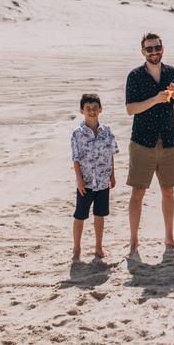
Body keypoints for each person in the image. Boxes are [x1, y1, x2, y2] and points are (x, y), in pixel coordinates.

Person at [124, 32, 174, 254]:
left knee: (168, 191)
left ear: (163, 48)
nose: (153, 52)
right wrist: (155, 100)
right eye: (149, 49)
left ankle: (169, 237)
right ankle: (134, 240)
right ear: (143, 52)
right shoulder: (134, 76)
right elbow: (130, 109)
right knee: (138, 192)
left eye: (156, 47)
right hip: (143, 141)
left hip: (169, 140)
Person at [70, 93, 118, 259]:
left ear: (100, 110)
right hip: (86, 182)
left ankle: (98, 247)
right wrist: (79, 180)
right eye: (88, 109)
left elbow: (111, 153)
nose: (92, 111)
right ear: (82, 110)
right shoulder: (77, 133)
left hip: (103, 181)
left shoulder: (107, 131)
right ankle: (77, 248)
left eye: (95, 108)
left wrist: (112, 175)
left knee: (100, 215)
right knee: (80, 215)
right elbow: (75, 159)